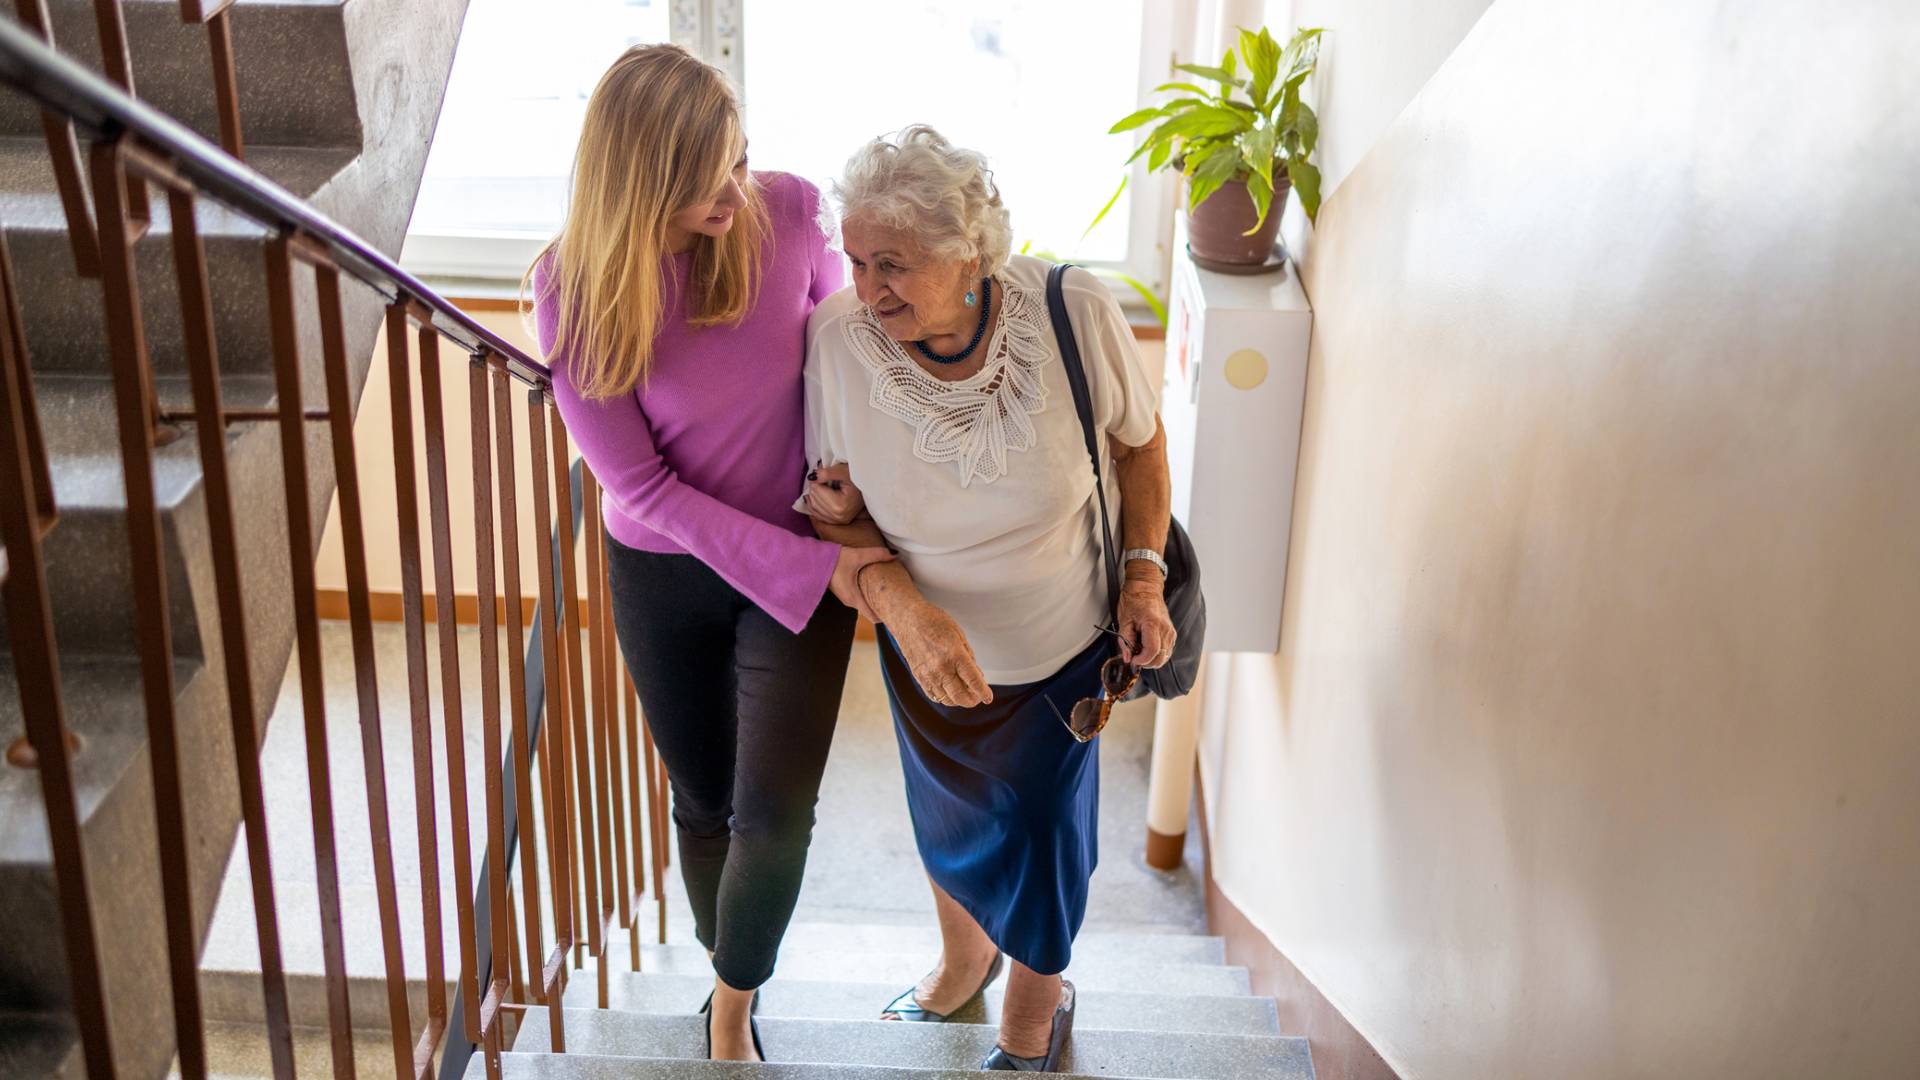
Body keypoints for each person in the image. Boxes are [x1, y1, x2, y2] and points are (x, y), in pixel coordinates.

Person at [529, 43, 893, 1063]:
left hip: (796, 552)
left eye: (739, 159)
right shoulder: (573, 289)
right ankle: (726, 959)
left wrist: (845, 489)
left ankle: (732, 1006)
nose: (736, 189)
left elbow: (840, 345)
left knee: (775, 813)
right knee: (703, 803)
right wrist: (823, 572)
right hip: (666, 572)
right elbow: (640, 487)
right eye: (707, 179)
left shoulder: (784, 210)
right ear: (642, 179)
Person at [798, 125, 1177, 1071]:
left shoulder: (1070, 308)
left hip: (1065, 652)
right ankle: (963, 961)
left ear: (970, 253)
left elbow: (1140, 446)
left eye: (895, 262)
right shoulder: (838, 342)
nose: (867, 286)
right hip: (925, 650)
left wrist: (1142, 573)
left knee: (1045, 834)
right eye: (855, 260)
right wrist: (901, 605)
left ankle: (1030, 1017)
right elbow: (834, 510)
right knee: (952, 819)